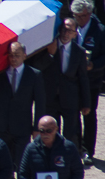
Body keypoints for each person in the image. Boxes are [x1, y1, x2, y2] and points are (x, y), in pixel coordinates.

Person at [0, 41, 47, 179]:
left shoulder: (34, 75)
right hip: (2, 126)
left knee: (22, 166)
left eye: (17, 55)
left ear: (25, 55)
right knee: (4, 166)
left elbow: (40, 103)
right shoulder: (0, 72)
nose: (13, 58)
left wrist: (37, 128)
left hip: (22, 127)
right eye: (11, 55)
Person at [38, 18, 90, 149]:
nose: (66, 33)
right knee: (49, 132)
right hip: (50, 98)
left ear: (75, 34)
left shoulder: (79, 52)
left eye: (70, 31)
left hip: (70, 99)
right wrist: (50, 54)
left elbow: (83, 78)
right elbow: (38, 68)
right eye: (64, 29)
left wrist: (86, 103)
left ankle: (71, 161)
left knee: (71, 133)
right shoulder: (48, 47)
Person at [71, 0, 105, 165]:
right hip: (74, 80)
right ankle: (76, 148)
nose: (80, 19)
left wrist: (94, 65)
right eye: (77, 16)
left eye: (83, 16)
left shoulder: (99, 30)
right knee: (73, 115)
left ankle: (88, 150)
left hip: (92, 81)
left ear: (90, 13)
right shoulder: (70, 28)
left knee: (89, 115)